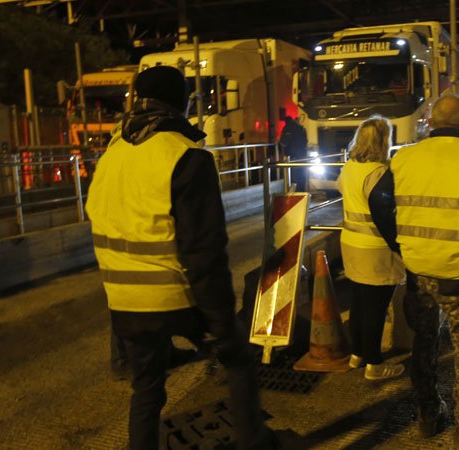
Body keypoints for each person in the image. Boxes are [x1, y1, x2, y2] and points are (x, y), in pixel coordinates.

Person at [85, 66, 275, 450]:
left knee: (147, 391)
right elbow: (204, 250)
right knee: (238, 361)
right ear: (183, 103)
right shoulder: (186, 157)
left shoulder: (112, 154)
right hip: (174, 298)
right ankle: (254, 443)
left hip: (123, 302)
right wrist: (222, 322)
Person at [370, 95, 459, 449]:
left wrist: (398, 243)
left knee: (423, 342)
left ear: (429, 120)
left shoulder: (404, 157)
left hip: (418, 269)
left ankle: (428, 416)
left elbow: (378, 200)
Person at [336, 116, 406, 381]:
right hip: (375, 249)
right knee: (376, 308)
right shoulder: (380, 173)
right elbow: (384, 216)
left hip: (351, 243)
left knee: (359, 302)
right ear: (382, 140)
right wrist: (397, 246)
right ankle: (375, 365)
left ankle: (358, 355)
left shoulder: (349, 167)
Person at [278, 115, 308, 192]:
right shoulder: (301, 128)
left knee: (293, 177)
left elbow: (283, 143)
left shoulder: (287, 128)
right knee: (302, 176)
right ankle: (302, 193)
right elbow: (306, 142)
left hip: (292, 156)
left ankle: (293, 193)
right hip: (302, 156)